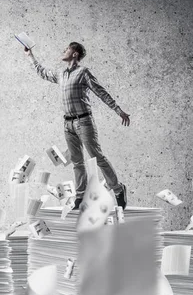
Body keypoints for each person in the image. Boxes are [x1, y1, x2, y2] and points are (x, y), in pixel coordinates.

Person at [24, 42, 130, 210]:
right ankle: (80, 197)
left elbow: (100, 92)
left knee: (98, 157)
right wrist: (30, 56)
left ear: (75, 54)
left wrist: (119, 110)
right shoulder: (60, 74)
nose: (63, 50)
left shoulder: (83, 72)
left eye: (67, 49)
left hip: (84, 122)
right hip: (68, 124)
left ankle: (118, 189)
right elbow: (42, 73)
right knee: (77, 162)